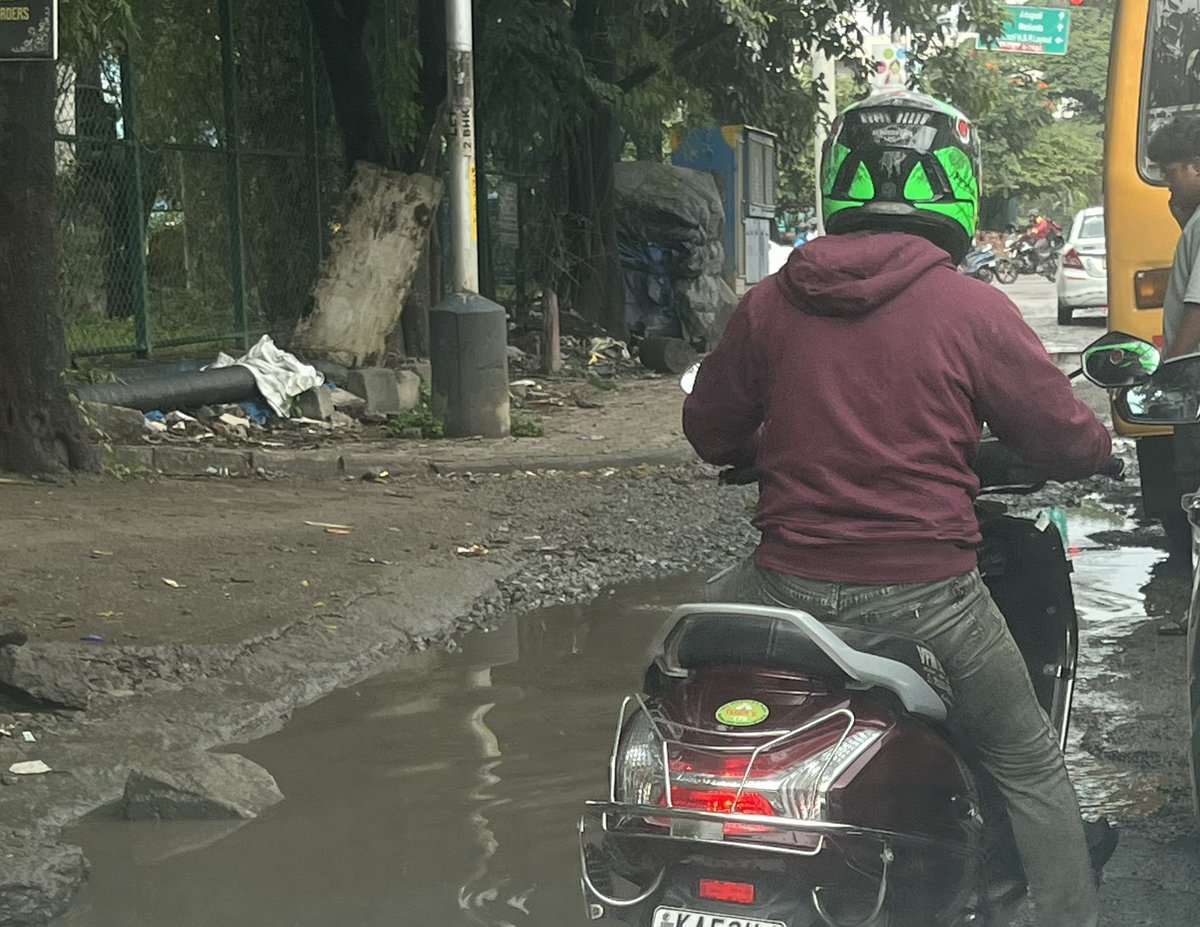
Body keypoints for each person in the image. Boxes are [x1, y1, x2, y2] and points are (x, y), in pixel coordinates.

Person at [683, 91, 1111, 927]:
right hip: (933, 595)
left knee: (676, 673)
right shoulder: (972, 309)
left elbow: (710, 428)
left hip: (782, 585)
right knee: (1025, 759)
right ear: (957, 186)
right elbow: (1068, 440)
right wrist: (1096, 450)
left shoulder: (771, 303)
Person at [1147, 116, 1200, 561]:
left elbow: (1197, 311)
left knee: (1194, 493)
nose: (1167, 186)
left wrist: (1169, 377)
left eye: (1170, 173)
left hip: (1195, 387)